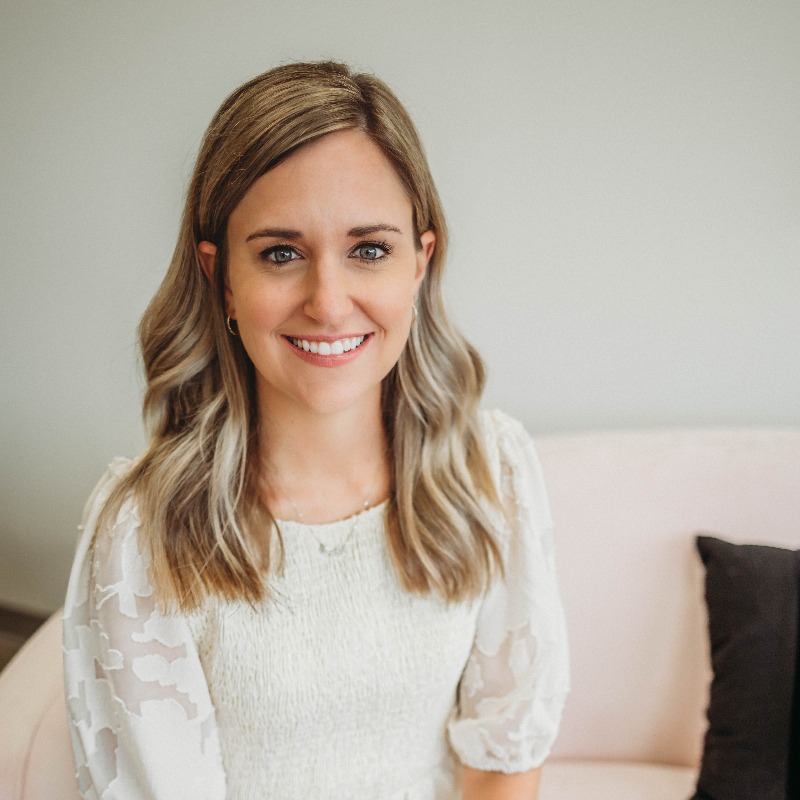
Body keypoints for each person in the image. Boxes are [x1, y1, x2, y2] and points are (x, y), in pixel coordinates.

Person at [62, 61, 569, 800]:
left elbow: (504, 761)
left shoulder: (493, 472)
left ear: (420, 264)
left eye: (369, 250)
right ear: (221, 280)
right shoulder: (145, 530)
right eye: (280, 254)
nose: (329, 303)